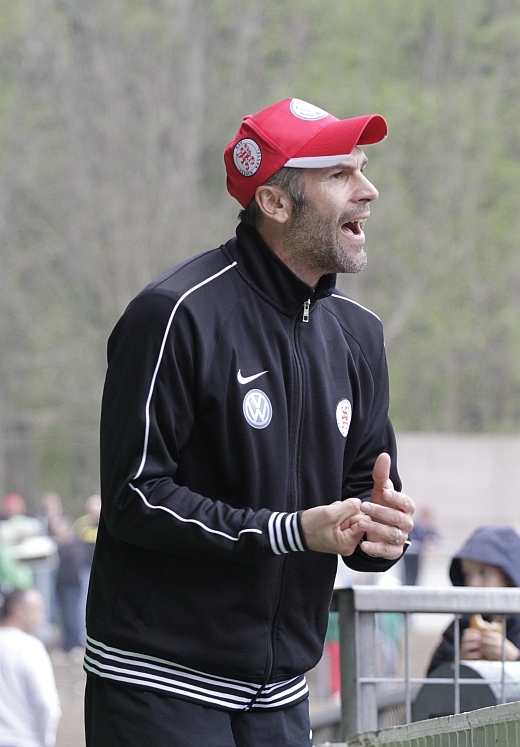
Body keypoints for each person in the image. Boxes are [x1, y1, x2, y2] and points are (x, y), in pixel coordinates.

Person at [84, 97, 415, 747]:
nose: (368, 190)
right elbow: (133, 498)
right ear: (275, 202)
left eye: (363, 169)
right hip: (157, 687)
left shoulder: (360, 335)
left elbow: (361, 500)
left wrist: (379, 532)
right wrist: (289, 532)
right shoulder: (174, 313)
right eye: (340, 174)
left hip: (281, 697)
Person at [427, 526, 520, 675]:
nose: (473, 583)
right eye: (467, 574)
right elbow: (432, 679)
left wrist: (514, 658)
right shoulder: (460, 627)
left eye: (484, 572)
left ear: (509, 577)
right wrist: (460, 663)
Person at [0, 588, 61, 747]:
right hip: (25, 740)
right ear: (18, 612)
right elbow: (46, 703)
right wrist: (47, 739)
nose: (42, 618)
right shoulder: (30, 647)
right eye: (37, 611)